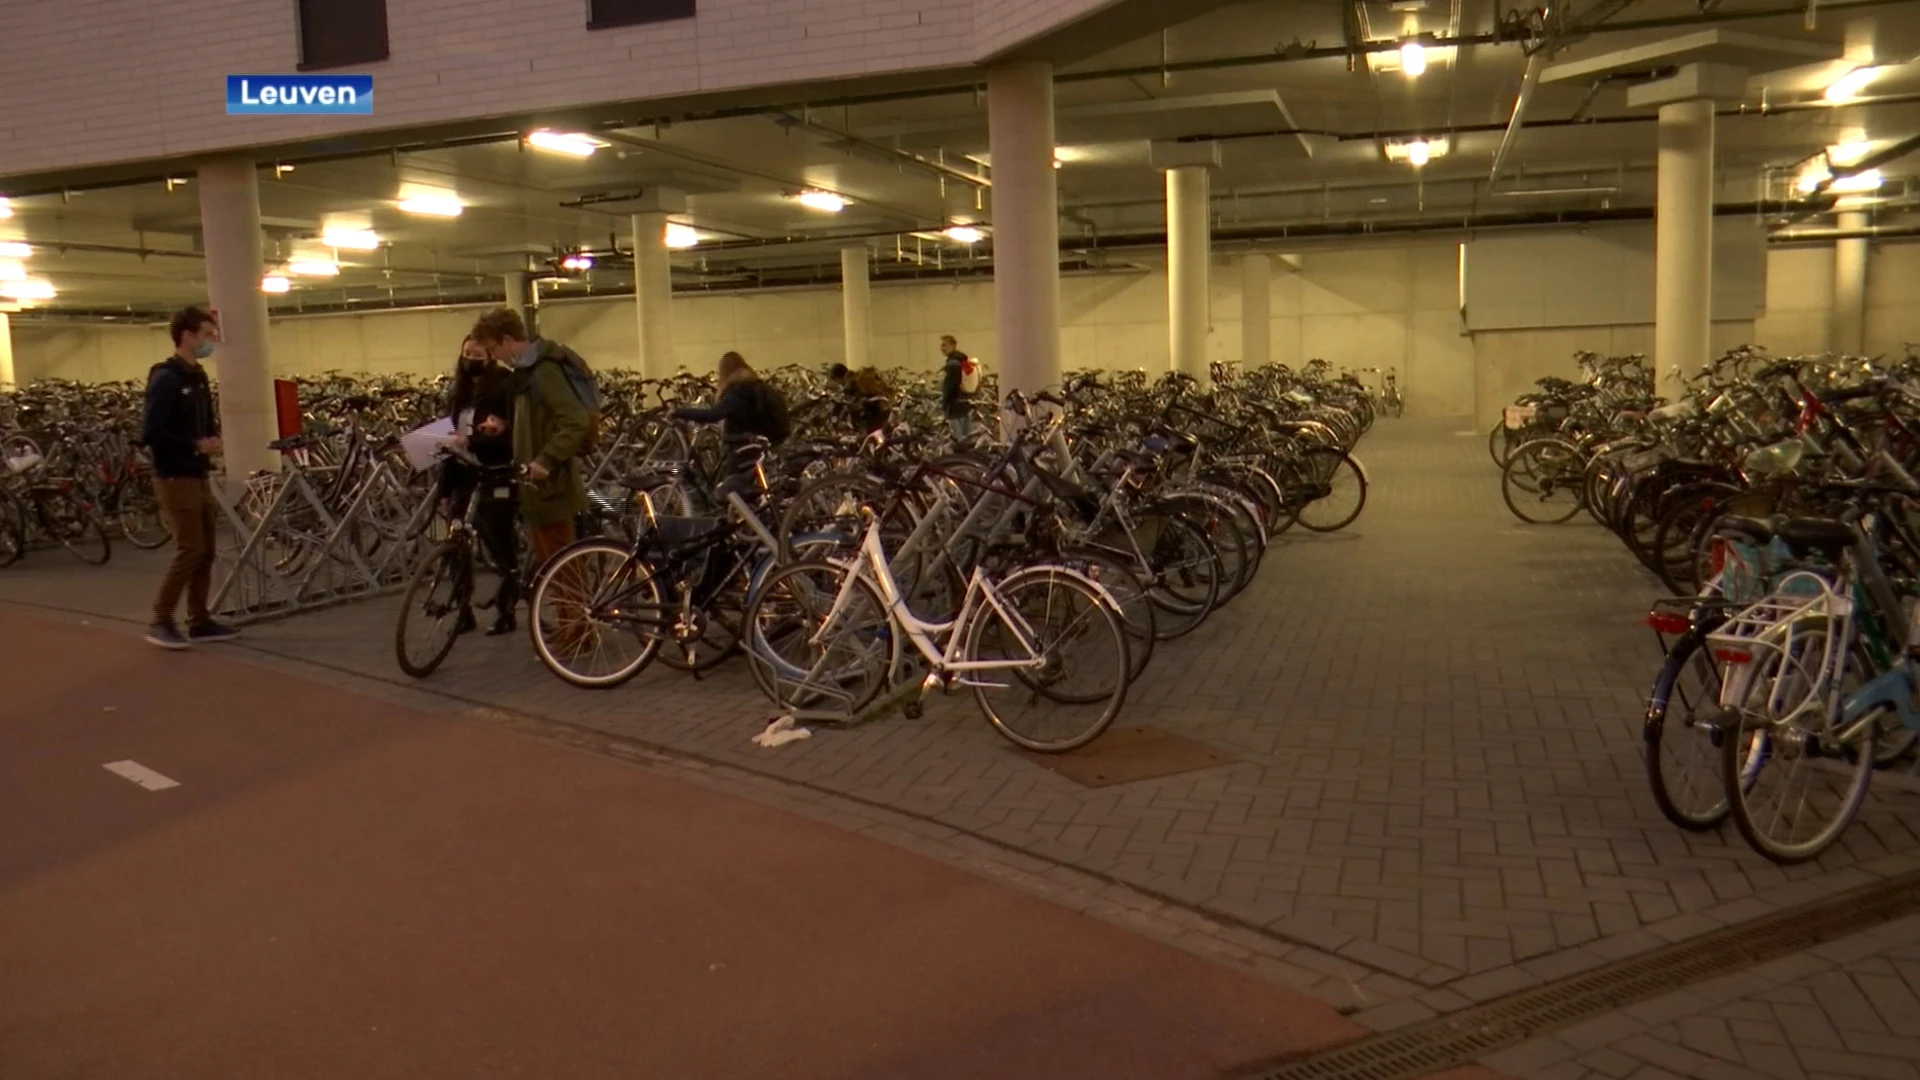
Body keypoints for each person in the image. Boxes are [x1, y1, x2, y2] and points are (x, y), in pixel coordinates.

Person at [141, 306, 241, 649]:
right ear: (187, 336)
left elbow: (205, 420)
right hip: (174, 476)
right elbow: (151, 431)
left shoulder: (196, 376)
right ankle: (160, 619)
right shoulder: (166, 378)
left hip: (197, 473)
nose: (211, 342)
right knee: (190, 549)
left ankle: (199, 620)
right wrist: (194, 444)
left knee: (207, 550)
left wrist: (212, 441)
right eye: (207, 335)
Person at [466, 308, 589, 573]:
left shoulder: (544, 372)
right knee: (551, 569)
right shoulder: (526, 372)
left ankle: (577, 617)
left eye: (492, 348)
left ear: (507, 340)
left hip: (551, 486)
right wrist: (504, 424)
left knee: (565, 573)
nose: (493, 357)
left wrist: (546, 459)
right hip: (535, 487)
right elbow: (539, 417)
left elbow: (575, 420)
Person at [441, 335, 521, 635]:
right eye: (466, 353)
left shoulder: (504, 387)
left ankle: (506, 611)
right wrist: (444, 491)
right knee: (455, 544)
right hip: (462, 473)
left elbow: (510, 439)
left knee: (500, 545)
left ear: (490, 356)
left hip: (494, 473)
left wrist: (474, 439)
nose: (470, 359)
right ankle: (463, 609)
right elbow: (450, 434)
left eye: (476, 353)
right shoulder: (458, 392)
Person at [672, 352, 789, 445]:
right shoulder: (755, 384)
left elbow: (713, 415)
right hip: (761, 441)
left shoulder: (739, 390)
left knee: (732, 474)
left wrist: (678, 412)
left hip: (744, 445)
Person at [827, 361, 892, 433]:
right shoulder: (857, 378)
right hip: (880, 410)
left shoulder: (849, 383)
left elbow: (850, 402)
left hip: (871, 414)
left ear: (837, 379)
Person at [939, 334, 975, 440]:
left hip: (955, 404)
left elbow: (949, 387)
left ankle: (959, 455)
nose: (942, 348)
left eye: (944, 345)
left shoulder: (952, 364)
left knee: (957, 438)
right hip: (965, 402)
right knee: (967, 436)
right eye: (941, 346)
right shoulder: (962, 360)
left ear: (952, 346)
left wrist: (945, 405)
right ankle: (968, 455)